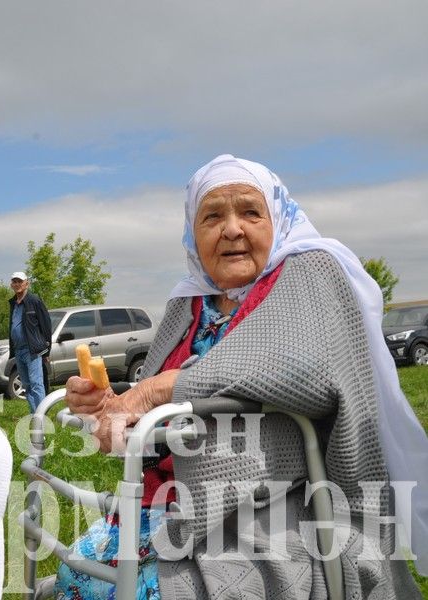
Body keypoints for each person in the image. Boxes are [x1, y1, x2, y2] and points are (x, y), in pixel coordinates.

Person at [59, 155, 426, 599]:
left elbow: (304, 368)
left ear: (278, 220)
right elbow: (148, 425)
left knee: (141, 591)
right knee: (73, 574)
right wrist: (106, 413)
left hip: (279, 505)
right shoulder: (188, 301)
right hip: (171, 501)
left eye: (250, 212)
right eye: (212, 216)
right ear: (192, 235)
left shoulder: (311, 270)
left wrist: (157, 388)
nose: (231, 229)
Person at [8, 271, 52, 412]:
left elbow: (46, 325)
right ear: (11, 285)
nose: (17, 284)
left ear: (27, 283)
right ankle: (35, 414)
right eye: (14, 281)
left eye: (20, 281)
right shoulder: (13, 303)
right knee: (26, 385)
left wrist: (46, 351)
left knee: (36, 384)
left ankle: (42, 416)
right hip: (18, 350)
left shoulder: (34, 301)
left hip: (32, 350)